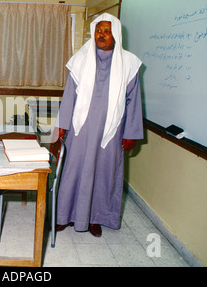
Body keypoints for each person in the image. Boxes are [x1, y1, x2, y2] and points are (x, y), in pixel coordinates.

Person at [53, 13, 143, 237]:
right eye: (98, 30)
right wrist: (61, 126)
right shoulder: (80, 59)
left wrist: (130, 132)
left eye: (107, 31)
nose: (102, 35)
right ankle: (64, 215)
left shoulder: (129, 63)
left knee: (104, 175)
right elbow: (69, 96)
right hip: (80, 129)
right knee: (72, 171)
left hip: (110, 132)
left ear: (116, 34)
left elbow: (133, 101)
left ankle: (96, 218)